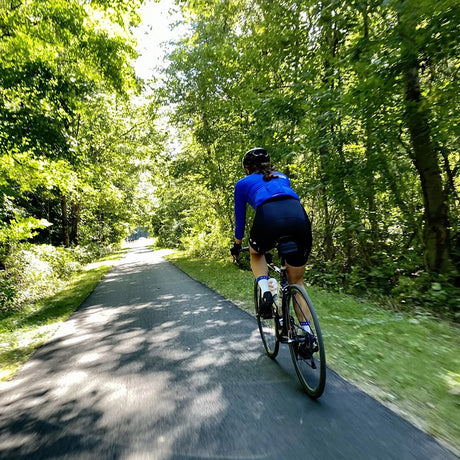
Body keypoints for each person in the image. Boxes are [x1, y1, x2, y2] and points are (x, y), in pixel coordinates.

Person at [230, 147, 313, 321]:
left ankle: (266, 291)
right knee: (297, 282)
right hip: (298, 216)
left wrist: (237, 245)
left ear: (247, 169)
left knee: (256, 253)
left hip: (268, 216)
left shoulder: (243, 183)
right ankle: (307, 333)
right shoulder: (283, 177)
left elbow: (240, 220)